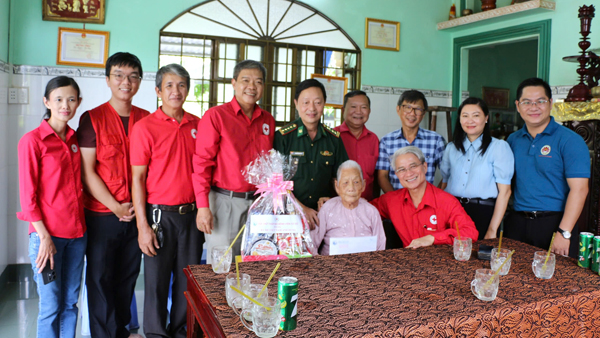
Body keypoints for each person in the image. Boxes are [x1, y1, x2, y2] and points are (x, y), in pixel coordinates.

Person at [77, 52, 148, 338]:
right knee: (100, 279)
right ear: (107, 80)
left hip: (138, 213)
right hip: (102, 214)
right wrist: (116, 207)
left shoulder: (148, 119)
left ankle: (121, 331)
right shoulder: (91, 118)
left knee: (127, 278)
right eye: (118, 75)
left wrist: (134, 210)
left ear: (140, 82)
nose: (125, 82)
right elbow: (88, 171)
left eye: (133, 76)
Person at [130, 64, 203, 338]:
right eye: (169, 85)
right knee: (156, 283)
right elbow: (137, 179)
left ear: (188, 89)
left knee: (187, 280)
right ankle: (157, 334)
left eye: (182, 85)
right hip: (158, 216)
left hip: (192, 216)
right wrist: (142, 227)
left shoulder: (199, 125)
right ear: (158, 90)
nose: (176, 91)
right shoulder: (144, 128)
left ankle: (182, 331)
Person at [17, 76, 87, 338]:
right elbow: (28, 197)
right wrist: (44, 237)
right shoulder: (32, 141)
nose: (65, 105)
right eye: (58, 99)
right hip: (47, 237)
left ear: (78, 102)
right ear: (46, 101)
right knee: (50, 306)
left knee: (70, 303)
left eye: (71, 99)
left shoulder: (74, 139)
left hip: (77, 236)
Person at [193, 60, 275, 262]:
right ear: (234, 83)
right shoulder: (216, 116)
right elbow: (202, 164)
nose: (252, 87)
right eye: (245, 80)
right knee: (223, 265)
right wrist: (203, 207)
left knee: (254, 262)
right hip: (224, 203)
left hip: (258, 206)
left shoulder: (268, 120)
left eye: (258, 82)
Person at [505, 78, 590, 258]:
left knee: (556, 284)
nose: (533, 107)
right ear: (518, 106)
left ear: (550, 103)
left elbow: (580, 189)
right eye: (527, 102)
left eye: (540, 101)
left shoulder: (570, 140)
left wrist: (564, 232)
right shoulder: (512, 140)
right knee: (513, 282)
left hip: (555, 224)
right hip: (517, 224)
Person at [274, 79, 349, 228]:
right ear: (296, 103)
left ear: (324, 103)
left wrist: (332, 200)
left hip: (324, 216)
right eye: (306, 102)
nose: (312, 108)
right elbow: (275, 183)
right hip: (289, 215)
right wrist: (301, 208)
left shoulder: (334, 139)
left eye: (317, 102)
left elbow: (342, 178)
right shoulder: (283, 137)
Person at [371, 146, 478, 248]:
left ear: (425, 167)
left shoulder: (447, 201)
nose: (409, 173)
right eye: (402, 169)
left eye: (413, 166)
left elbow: (470, 232)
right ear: (397, 174)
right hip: (408, 262)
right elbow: (363, 211)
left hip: (441, 262)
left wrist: (432, 238)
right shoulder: (390, 200)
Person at [439, 97, 514, 240]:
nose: (470, 121)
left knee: (478, 259)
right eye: (465, 116)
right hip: (452, 211)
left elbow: (505, 192)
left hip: (483, 212)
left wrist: (492, 230)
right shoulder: (451, 148)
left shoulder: (498, 147)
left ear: (486, 118)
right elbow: (444, 183)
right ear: (460, 119)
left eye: (476, 115)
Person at [311, 160, 385, 255]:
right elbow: (312, 243)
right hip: (332, 266)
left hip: (365, 265)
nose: (351, 188)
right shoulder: (328, 208)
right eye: (345, 182)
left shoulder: (371, 211)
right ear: (337, 187)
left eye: (356, 182)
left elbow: (380, 246)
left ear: (363, 185)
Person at [376, 90, 445, 192]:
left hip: (427, 204)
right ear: (398, 109)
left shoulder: (436, 140)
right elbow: (382, 176)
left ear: (424, 113)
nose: (412, 114)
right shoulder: (386, 141)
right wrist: (396, 201)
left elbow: (447, 175)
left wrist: (435, 197)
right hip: (397, 203)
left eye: (418, 109)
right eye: (407, 108)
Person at [333, 91, 379, 201]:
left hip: (367, 206)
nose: (358, 112)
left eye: (363, 107)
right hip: (337, 206)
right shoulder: (332, 136)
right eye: (353, 107)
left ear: (369, 111)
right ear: (343, 110)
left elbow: (376, 178)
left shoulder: (373, 139)